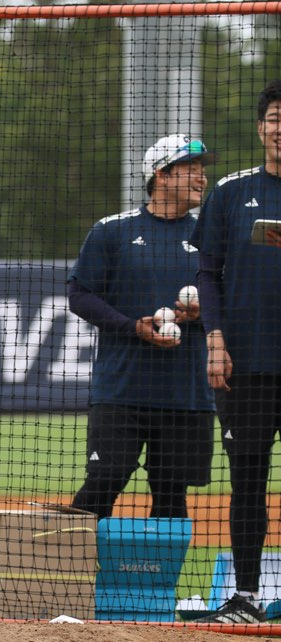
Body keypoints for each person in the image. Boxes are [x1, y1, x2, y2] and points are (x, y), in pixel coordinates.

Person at [68, 134, 216, 521]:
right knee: (105, 478)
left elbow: (230, 301)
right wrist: (134, 326)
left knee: (172, 493)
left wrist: (203, 314)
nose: (202, 178)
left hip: (185, 393)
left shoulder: (211, 235)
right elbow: (80, 295)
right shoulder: (111, 231)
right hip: (121, 389)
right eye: (191, 170)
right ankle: (69, 580)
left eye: (203, 171)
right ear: (162, 175)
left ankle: (162, 584)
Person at [192, 79, 281, 625]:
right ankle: (246, 598)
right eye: (275, 117)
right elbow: (207, 271)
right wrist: (216, 340)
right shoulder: (230, 193)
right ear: (261, 127)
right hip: (246, 365)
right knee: (248, 480)